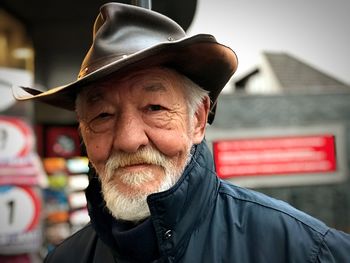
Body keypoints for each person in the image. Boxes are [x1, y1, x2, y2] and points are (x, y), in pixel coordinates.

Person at [13, 3, 350, 263]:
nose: (129, 139)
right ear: (84, 133)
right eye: (102, 115)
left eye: (155, 108)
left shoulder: (306, 251)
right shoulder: (67, 258)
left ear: (198, 121)